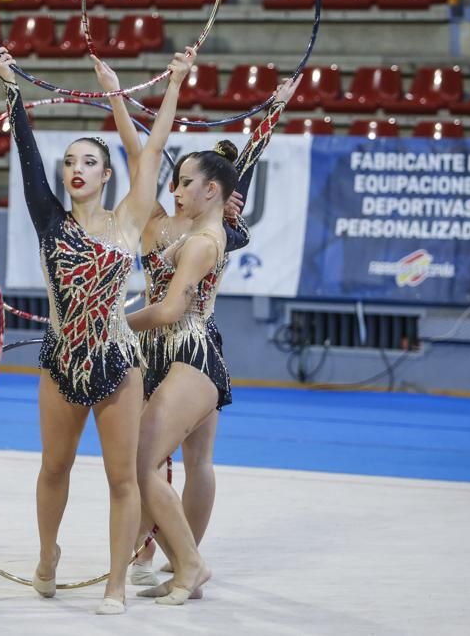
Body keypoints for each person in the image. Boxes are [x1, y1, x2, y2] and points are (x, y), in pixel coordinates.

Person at [0, 43, 194, 614]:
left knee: (122, 477)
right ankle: (47, 554)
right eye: (70, 162)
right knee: (54, 466)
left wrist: (174, 84)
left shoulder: (128, 221)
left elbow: (154, 151)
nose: (75, 170)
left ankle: (115, 584)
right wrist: (10, 85)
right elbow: (26, 153)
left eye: (87, 162)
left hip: (116, 360)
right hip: (61, 359)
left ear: (106, 175)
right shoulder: (49, 220)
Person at [125, 79, 300, 604]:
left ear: (211, 192)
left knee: (154, 461)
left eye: (185, 182)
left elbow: (236, 168)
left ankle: (185, 561)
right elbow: (140, 155)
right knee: (184, 460)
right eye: (174, 180)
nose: (174, 188)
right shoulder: (161, 223)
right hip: (161, 347)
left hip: (188, 343)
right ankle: (173, 561)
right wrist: (115, 97)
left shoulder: (208, 233)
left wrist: (274, 109)